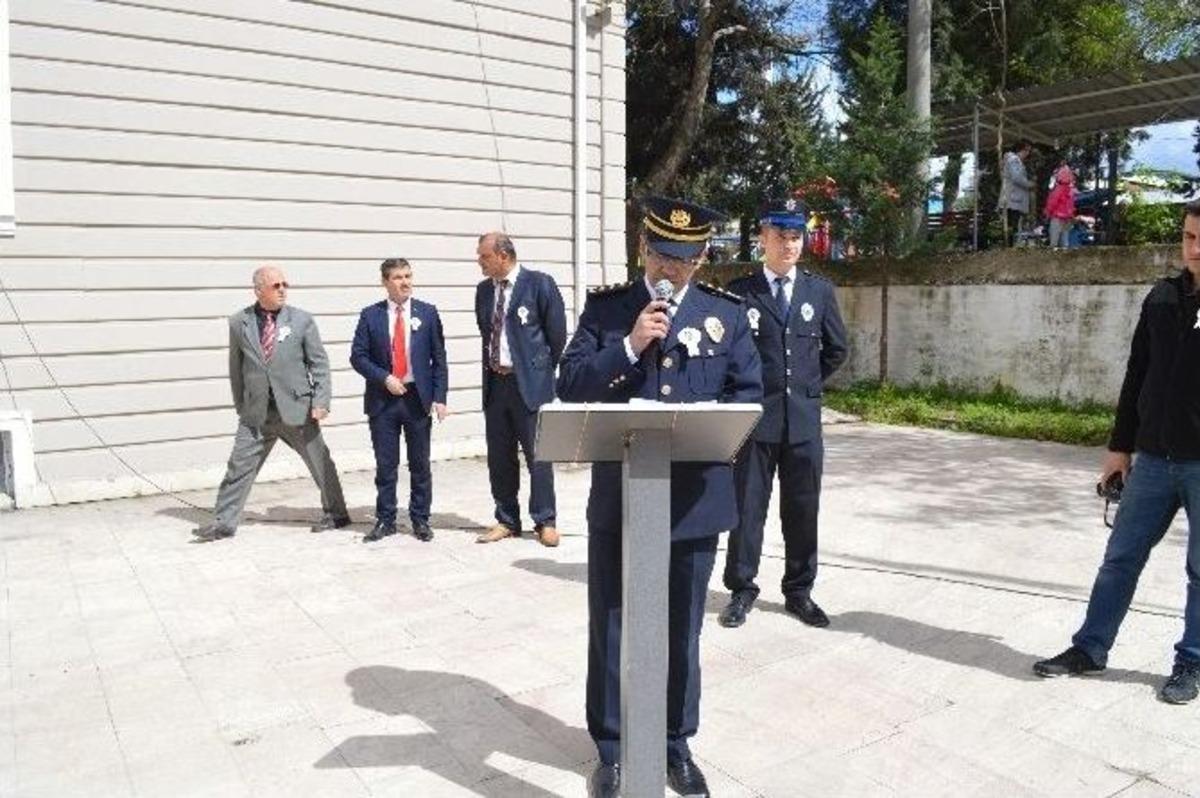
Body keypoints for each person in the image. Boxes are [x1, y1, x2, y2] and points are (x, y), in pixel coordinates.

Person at [557, 196, 763, 798]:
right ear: (643, 249)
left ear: (702, 258)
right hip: (621, 498)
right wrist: (627, 346)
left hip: (695, 501)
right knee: (613, 625)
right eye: (663, 256)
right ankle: (614, 750)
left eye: (686, 259)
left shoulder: (724, 313)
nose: (673, 271)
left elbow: (747, 395)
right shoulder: (609, 309)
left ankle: (675, 743)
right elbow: (569, 385)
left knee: (682, 632)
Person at [1033, 199, 1200, 705]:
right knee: (1120, 558)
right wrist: (1119, 447)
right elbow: (1136, 376)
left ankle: (1191, 661)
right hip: (1151, 459)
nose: (1195, 248)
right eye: (1189, 237)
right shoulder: (1162, 298)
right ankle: (1090, 648)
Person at [718, 197, 849, 631]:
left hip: (804, 423)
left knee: (803, 509)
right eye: (781, 236)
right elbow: (729, 357)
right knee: (747, 508)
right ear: (763, 238)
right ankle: (741, 589)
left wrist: (806, 388)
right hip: (757, 422)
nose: (789, 244)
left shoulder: (819, 290)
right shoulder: (741, 293)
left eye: (796, 236)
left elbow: (836, 350)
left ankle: (799, 591)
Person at [194, 266, 349, 542]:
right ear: (258, 290)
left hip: (298, 409)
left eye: (284, 284)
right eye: (276, 285)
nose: (282, 289)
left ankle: (336, 514)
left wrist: (321, 400)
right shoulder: (238, 322)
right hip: (257, 413)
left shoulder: (302, 321)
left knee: (320, 462)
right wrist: (242, 406)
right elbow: (236, 369)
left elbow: (319, 364)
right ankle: (223, 522)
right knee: (238, 466)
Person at [473, 232, 567, 547]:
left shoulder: (539, 284)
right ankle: (506, 519)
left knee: (538, 455)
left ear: (503, 255)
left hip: (530, 386)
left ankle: (545, 520)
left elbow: (557, 337)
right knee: (499, 457)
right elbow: (487, 332)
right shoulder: (484, 291)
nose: (479, 262)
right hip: (496, 384)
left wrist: (539, 373)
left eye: (484, 256)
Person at [349, 258, 448, 543]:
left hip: (417, 399)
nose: (405, 282)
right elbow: (358, 356)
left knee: (420, 464)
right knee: (386, 464)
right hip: (384, 400)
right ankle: (386, 519)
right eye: (397, 277)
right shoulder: (371, 315)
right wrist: (383, 378)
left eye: (408, 276)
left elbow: (439, 359)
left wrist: (440, 397)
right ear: (385, 282)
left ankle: (420, 519)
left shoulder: (427, 313)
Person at [1001, 139, 1035, 247]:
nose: (1028, 153)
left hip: (1014, 199)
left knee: (1015, 226)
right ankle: (1010, 248)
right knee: (1013, 226)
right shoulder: (1014, 160)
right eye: (1026, 150)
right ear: (1020, 150)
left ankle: (1012, 246)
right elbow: (1017, 178)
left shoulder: (1015, 161)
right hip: (1012, 200)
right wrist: (1030, 184)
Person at [1044, 163, 1077, 249]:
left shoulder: (1057, 190)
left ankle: (1053, 257)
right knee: (1064, 242)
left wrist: (1047, 213)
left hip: (1056, 218)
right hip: (1067, 218)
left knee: (1054, 242)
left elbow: (1052, 203)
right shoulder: (1071, 191)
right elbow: (1071, 206)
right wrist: (1071, 216)